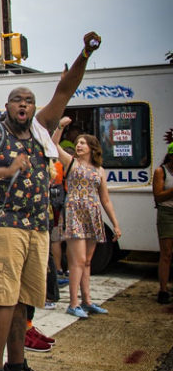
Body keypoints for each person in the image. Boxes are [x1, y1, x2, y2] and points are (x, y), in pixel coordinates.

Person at [0, 32, 101, 371]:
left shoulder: (39, 130)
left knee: (24, 300)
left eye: (29, 100)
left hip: (37, 226)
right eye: (18, 100)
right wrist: (4, 171)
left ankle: (16, 365)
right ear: (7, 106)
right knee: (3, 299)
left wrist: (85, 54)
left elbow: (64, 91)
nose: (25, 104)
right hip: (4, 225)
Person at [52, 117, 120, 318]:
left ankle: (87, 301)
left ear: (92, 147)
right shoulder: (71, 162)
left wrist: (115, 224)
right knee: (77, 260)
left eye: (83, 143)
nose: (78, 145)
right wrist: (60, 126)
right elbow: (54, 145)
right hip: (75, 212)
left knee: (88, 261)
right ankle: (73, 303)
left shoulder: (99, 170)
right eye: (78, 142)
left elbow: (105, 199)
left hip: (93, 213)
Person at [153, 143, 173, 304]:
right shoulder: (161, 171)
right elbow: (158, 196)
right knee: (166, 253)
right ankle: (163, 290)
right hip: (166, 213)